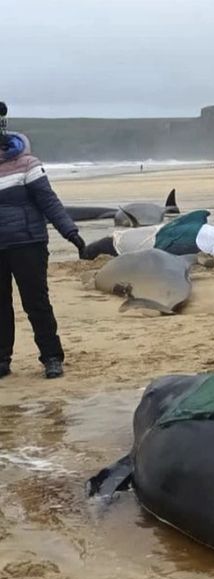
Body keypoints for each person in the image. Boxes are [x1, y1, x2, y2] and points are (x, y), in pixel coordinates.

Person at [0, 101, 86, 379]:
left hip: (28, 243)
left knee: (36, 302)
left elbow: (49, 202)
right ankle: (2, 359)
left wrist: (70, 232)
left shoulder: (27, 164)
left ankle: (51, 357)